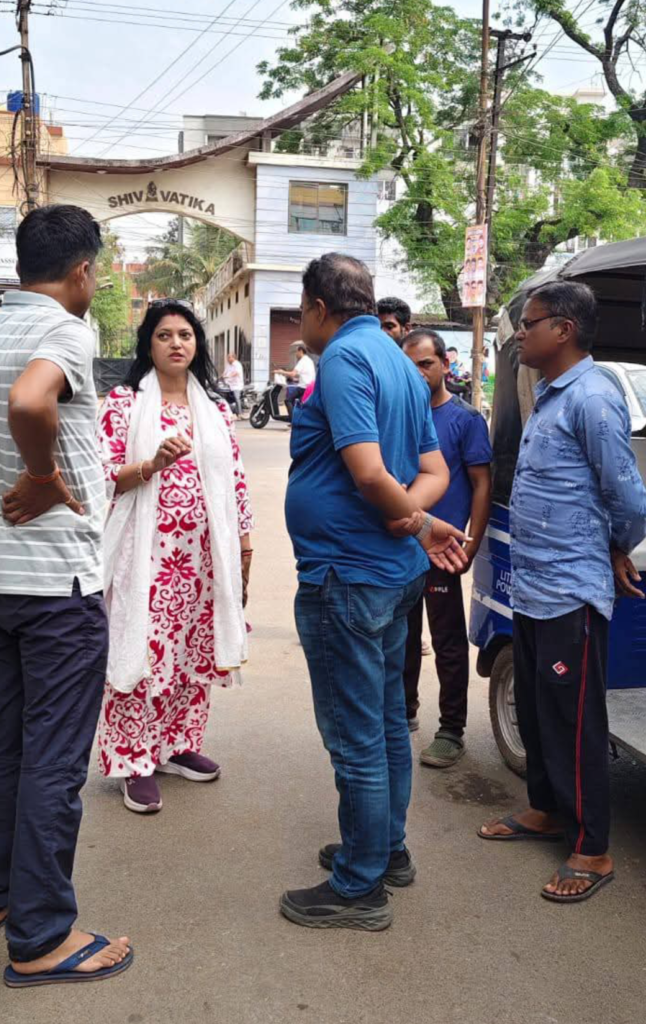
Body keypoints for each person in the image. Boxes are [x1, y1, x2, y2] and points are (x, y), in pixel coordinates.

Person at [281, 253, 470, 931]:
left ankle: (358, 887)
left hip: (348, 575)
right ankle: (384, 849)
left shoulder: (341, 358)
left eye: (301, 312)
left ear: (318, 307)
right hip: (388, 574)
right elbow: (433, 470)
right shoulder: (397, 359)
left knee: (356, 734)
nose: (301, 325)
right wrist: (413, 517)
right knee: (387, 721)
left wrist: (411, 520)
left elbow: (367, 472)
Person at [0, 204, 132, 987]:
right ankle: (42, 936)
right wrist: (45, 478)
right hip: (56, 586)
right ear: (82, 270)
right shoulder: (66, 332)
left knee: (3, 745)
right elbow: (29, 402)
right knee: (51, 759)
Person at [479, 281, 646, 903]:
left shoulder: (593, 398)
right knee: (539, 708)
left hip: (570, 589)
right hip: (534, 585)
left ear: (565, 330)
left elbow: (628, 496)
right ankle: (546, 810)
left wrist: (616, 547)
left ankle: (592, 848)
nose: (521, 333)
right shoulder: (551, 394)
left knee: (575, 721)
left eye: (531, 323)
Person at [96, 300, 253, 814]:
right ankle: (133, 759)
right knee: (140, 653)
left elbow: (235, 483)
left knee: (191, 652)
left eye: (185, 334)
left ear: (197, 344)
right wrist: (151, 463)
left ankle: (177, 744)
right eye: (164, 335)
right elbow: (100, 476)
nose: (176, 343)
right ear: (149, 345)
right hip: (146, 559)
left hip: (204, 561)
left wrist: (244, 546)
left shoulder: (216, 408)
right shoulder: (124, 404)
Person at [401, 329, 492, 763]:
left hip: (444, 551)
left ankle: (451, 730)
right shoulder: (399, 415)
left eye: (426, 364)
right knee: (401, 636)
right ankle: (403, 711)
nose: (419, 373)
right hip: (402, 546)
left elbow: (481, 484)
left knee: (448, 642)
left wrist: (470, 544)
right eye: (410, 366)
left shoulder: (465, 419)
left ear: (445, 364)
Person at [278, 343, 316, 420]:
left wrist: (281, 372)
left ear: (300, 351)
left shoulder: (302, 361)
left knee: (288, 400)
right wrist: (296, 379)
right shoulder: (309, 361)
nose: (296, 354)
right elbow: (305, 374)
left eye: (296, 352)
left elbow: (293, 373)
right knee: (297, 403)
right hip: (310, 387)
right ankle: (296, 418)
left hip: (303, 387)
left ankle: (293, 419)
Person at [222, 351, 245, 419]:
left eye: (229, 357)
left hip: (236, 384)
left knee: (236, 398)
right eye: (227, 357)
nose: (228, 359)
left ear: (233, 358)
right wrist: (222, 376)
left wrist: (229, 376)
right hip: (228, 384)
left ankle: (240, 414)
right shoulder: (228, 365)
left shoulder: (237, 364)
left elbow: (236, 373)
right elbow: (224, 373)